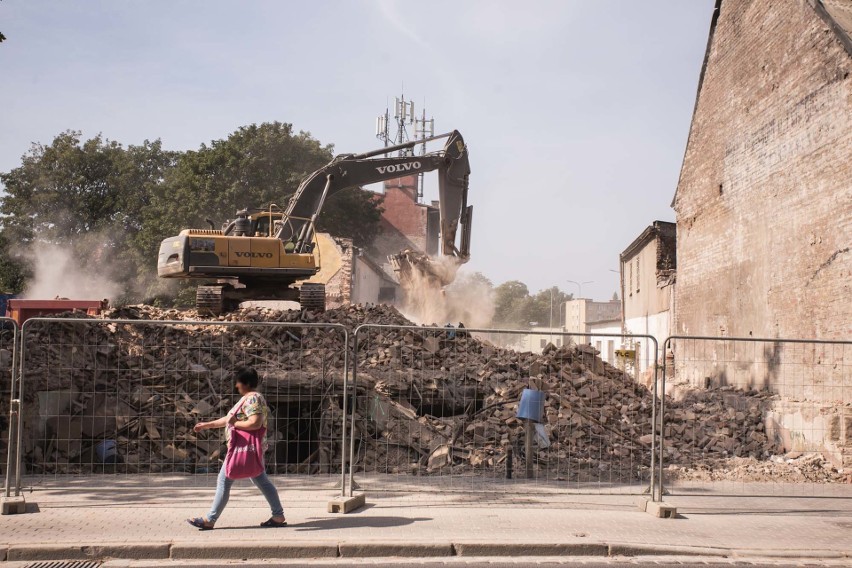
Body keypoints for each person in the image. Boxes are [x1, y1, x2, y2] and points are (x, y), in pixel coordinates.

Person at [186, 367, 287, 530]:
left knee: (224, 480)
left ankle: (210, 519)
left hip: (245, 448)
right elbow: (229, 419)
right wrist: (207, 425)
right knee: (262, 480)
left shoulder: (253, 398)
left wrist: (235, 423)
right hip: (250, 449)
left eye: (238, 383)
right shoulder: (249, 398)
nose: (236, 386)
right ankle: (278, 515)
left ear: (245, 383)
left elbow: (255, 423)